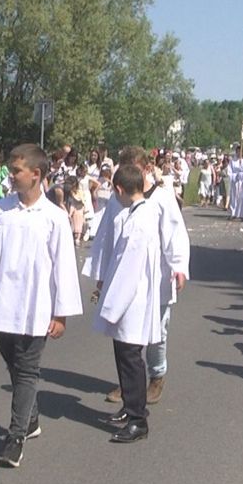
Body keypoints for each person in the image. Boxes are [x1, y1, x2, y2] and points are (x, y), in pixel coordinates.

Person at [0, 144, 82, 468]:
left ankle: (16, 437)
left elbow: (64, 268)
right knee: (15, 366)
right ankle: (30, 418)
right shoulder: (1, 211)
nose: (11, 176)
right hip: (2, 304)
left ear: (37, 175)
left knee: (27, 369)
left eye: (17, 171)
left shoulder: (54, 218)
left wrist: (61, 313)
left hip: (35, 307)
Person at [84, 146, 189, 406]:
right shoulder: (119, 199)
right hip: (123, 276)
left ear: (146, 169)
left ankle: (156, 376)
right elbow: (107, 237)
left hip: (156, 276)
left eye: (135, 170)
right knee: (124, 332)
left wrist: (179, 266)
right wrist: (102, 273)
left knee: (157, 330)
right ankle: (129, 383)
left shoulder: (162, 198)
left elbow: (175, 234)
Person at [91, 164, 162, 443]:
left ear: (119, 189)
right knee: (123, 353)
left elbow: (129, 268)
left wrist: (112, 305)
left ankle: (137, 419)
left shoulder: (139, 219)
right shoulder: (136, 213)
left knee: (131, 357)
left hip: (130, 299)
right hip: (128, 296)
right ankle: (130, 407)